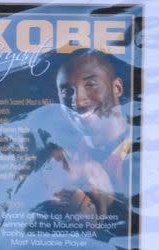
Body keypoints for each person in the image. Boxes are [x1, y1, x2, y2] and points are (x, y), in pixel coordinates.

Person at [46, 49, 133, 217]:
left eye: (90, 84)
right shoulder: (62, 160)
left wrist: (111, 207)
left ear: (117, 88)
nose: (78, 101)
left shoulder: (149, 153)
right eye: (67, 91)